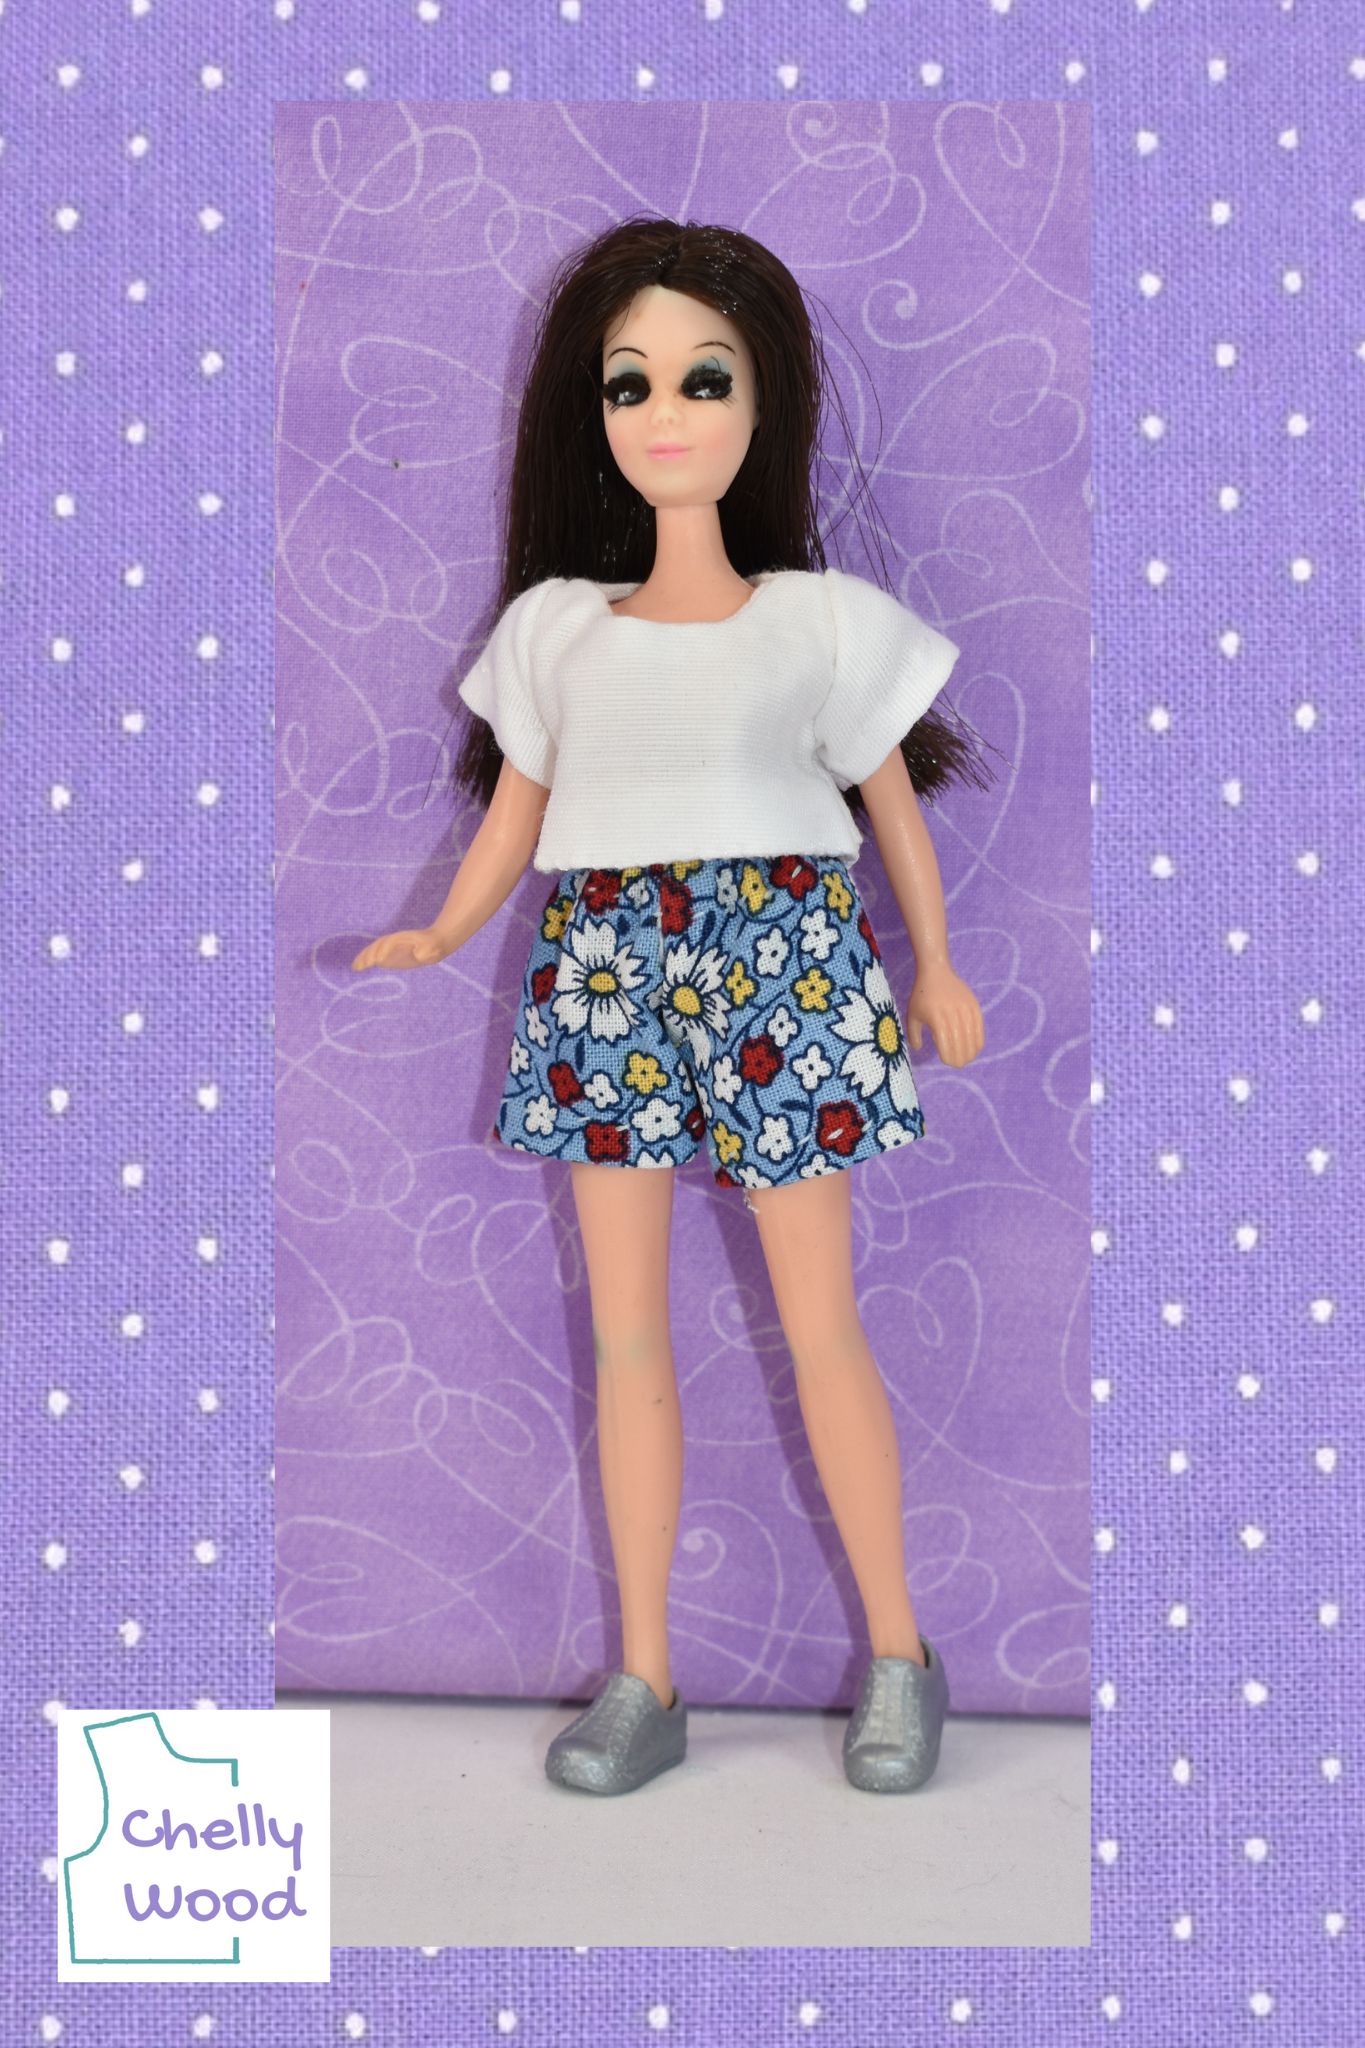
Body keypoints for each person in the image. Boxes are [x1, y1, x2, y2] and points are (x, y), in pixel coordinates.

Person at [352, 217, 992, 1797]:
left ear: (764, 401)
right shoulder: (557, 628)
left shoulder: (818, 619)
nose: (666, 415)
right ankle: (644, 1674)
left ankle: (898, 1656)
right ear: (591, 414)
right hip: (604, 968)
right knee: (625, 1327)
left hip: (785, 958)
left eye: (705, 380)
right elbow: (515, 814)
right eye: (629, 384)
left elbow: (890, 803)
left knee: (820, 1321)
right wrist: (442, 927)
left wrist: (936, 960)